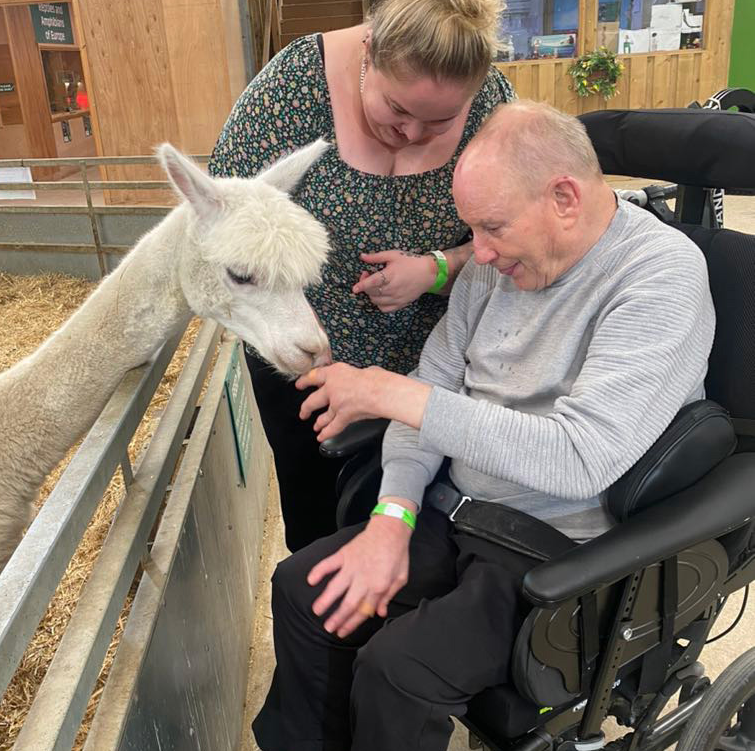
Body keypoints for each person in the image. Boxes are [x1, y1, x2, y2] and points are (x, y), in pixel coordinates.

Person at [251, 101, 716, 751]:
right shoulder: (496, 270)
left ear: (564, 198)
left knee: (396, 671)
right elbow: (434, 385)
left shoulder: (659, 277)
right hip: (452, 508)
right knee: (304, 591)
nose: (481, 252)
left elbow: (580, 457)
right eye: (473, 229)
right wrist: (392, 518)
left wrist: (392, 393)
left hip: (556, 548)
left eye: (492, 227)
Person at [207, 0, 515, 552]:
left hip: (441, 367)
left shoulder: (492, 104)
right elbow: (222, 223)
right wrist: (283, 309)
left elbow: (516, 239)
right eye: (397, 110)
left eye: (440, 122)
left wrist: (438, 269)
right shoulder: (292, 89)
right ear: (369, 52)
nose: (412, 134)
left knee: (431, 534)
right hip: (308, 365)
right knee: (318, 530)